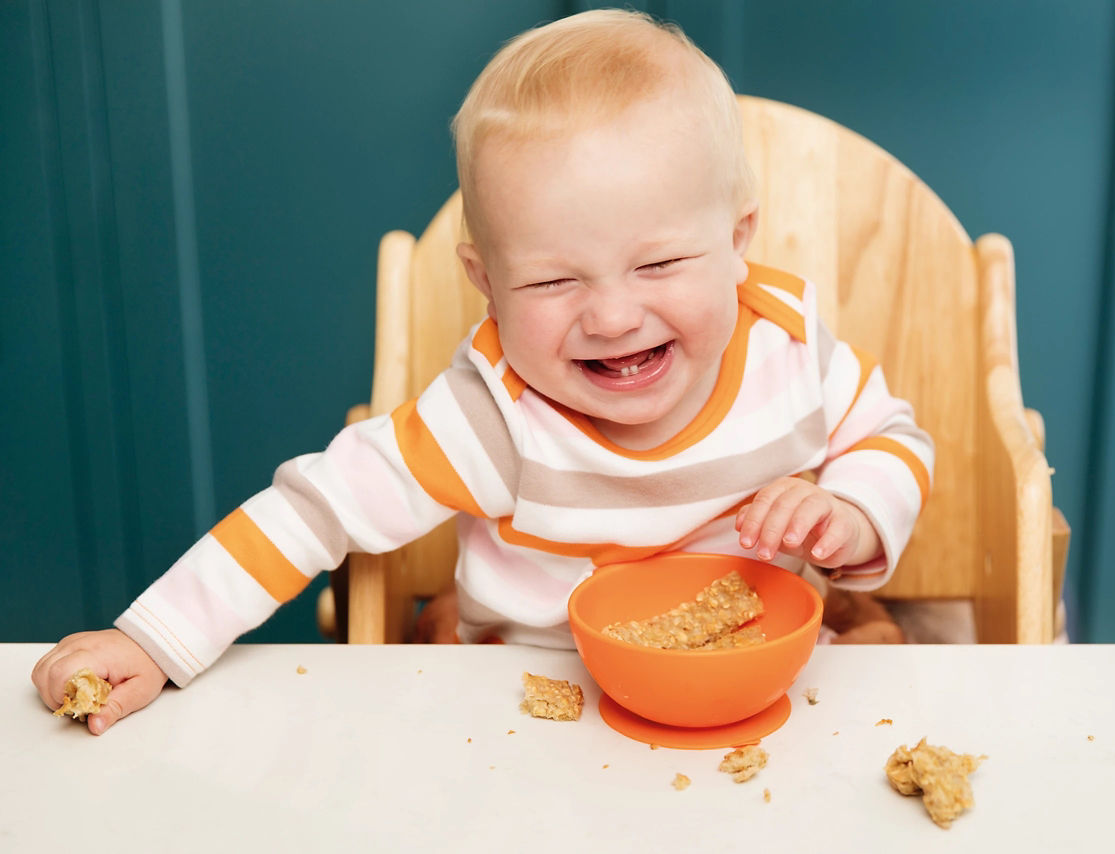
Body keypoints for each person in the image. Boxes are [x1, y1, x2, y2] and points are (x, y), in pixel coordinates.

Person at [32, 8, 933, 735]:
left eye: (659, 265)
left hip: (749, 683)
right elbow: (312, 511)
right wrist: (153, 639)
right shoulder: (493, 412)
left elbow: (893, 437)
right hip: (530, 697)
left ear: (737, 243)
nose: (614, 315)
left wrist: (851, 512)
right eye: (551, 280)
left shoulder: (784, 344)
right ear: (488, 286)